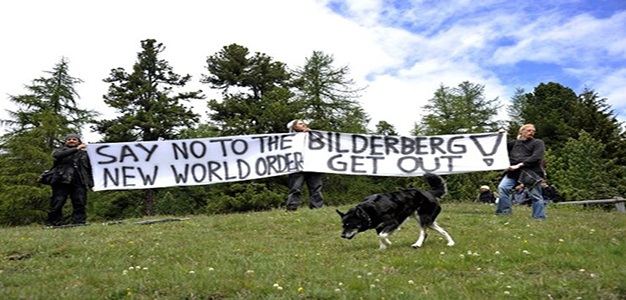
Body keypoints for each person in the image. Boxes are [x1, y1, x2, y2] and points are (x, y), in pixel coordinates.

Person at [495, 124, 547, 219]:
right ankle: (503, 213)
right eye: (528, 130)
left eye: (533, 131)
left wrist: (520, 164)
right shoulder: (514, 143)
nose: (531, 132)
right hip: (513, 172)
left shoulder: (537, 142)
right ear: (521, 131)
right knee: (503, 188)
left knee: (535, 195)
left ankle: (539, 217)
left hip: (531, 172)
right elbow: (499, 147)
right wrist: (501, 136)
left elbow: (536, 156)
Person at [45, 134, 94, 226]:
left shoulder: (85, 154)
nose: (71, 141)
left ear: (79, 141)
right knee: (57, 203)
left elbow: (90, 169)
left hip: (80, 181)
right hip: (61, 180)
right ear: (65, 141)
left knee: (80, 203)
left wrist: (92, 184)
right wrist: (77, 149)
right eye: (69, 139)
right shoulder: (59, 150)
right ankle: (54, 222)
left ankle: (79, 222)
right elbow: (57, 156)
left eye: (74, 139)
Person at [285, 119, 324, 211]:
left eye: (304, 123)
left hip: (313, 166)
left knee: (316, 188)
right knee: (295, 188)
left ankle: (317, 208)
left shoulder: (313, 135)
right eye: (300, 124)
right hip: (297, 167)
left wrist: (313, 134)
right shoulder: (289, 139)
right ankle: (292, 208)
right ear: (294, 127)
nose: (303, 125)